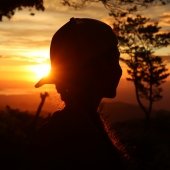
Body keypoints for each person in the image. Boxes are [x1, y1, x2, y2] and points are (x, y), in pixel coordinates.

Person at [31, 17, 123, 169]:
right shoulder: (72, 137)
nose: (119, 70)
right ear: (90, 70)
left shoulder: (69, 126)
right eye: (114, 60)